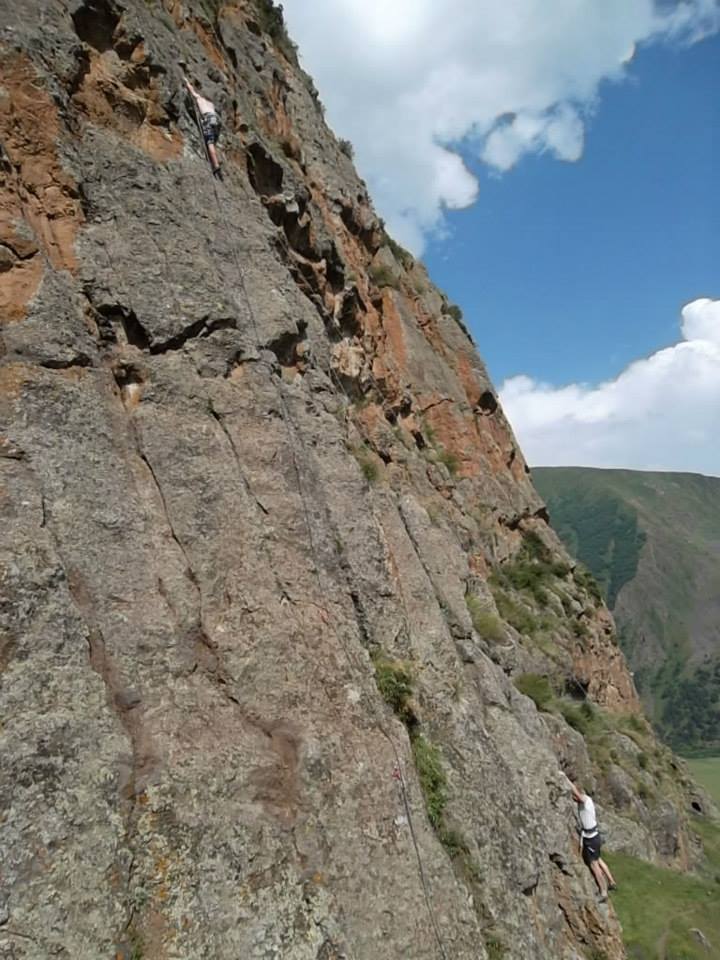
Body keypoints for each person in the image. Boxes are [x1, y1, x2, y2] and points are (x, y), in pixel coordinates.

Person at [569, 780, 617, 901]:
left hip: (590, 839)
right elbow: (577, 798)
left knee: (594, 865)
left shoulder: (584, 800)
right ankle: (611, 881)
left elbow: (578, 797)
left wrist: (567, 781)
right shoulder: (588, 800)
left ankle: (603, 892)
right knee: (598, 859)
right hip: (595, 836)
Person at [184, 78, 223, 179]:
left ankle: (216, 166)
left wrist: (186, 82)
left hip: (207, 119)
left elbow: (191, 90)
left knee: (209, 144)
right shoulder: (211, 104)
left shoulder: (199, 99)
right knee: (213, 142)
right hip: (216, 120)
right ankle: (217, 160)